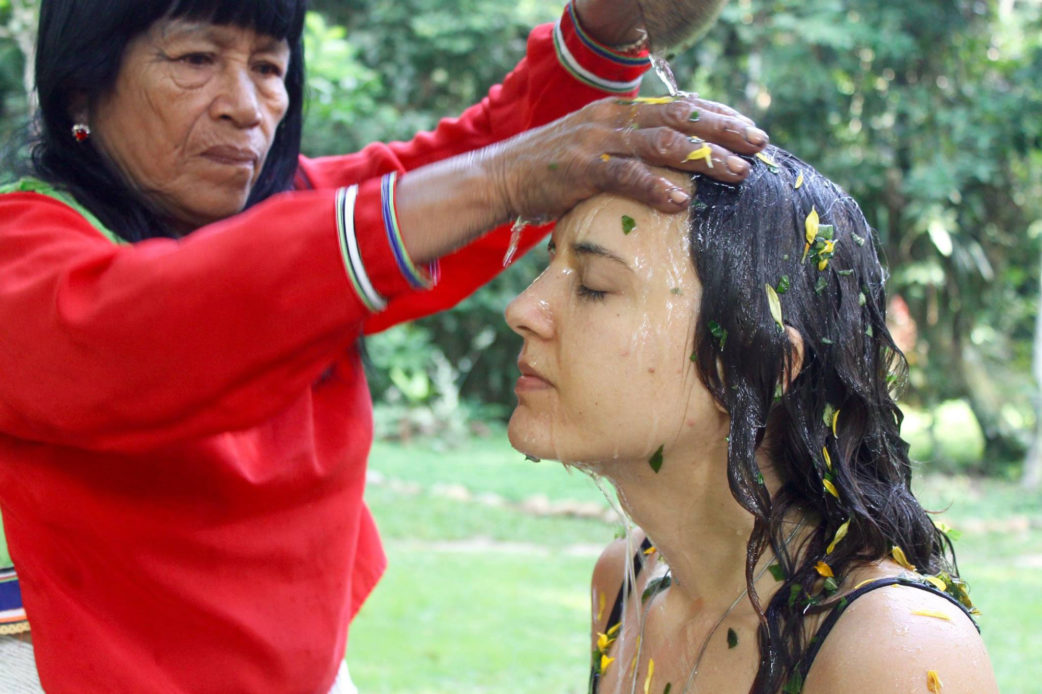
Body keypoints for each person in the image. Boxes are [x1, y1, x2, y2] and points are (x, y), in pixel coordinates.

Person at [0, 0, 771, 691]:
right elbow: (149, 326)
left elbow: (481, 155)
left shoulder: (300, 217)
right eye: (196, 59)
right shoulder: (22, 249)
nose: (247, 107)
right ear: (81, 87)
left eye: (270, 68)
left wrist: (609, 30)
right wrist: (499, 179)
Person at [505, 148, 1000, 693]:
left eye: (594, 284)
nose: (523, 309)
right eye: (549, 267)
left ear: (752, 368)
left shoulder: (893, 649)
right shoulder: (628, 582)